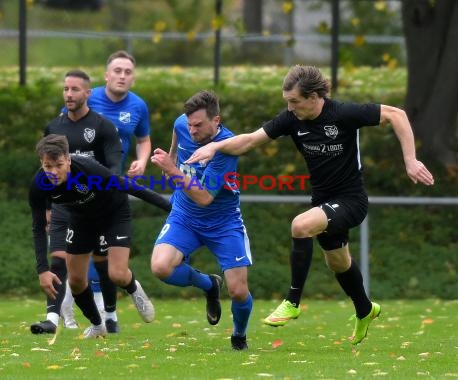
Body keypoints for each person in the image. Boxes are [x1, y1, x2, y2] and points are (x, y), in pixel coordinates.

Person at [186, 65, 435, 345]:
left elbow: (396, 114)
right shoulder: (291, 119)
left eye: (294, 101)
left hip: (351, 200)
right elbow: (251, 141)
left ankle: (292, 301)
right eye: (287, 102)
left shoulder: (342, 113)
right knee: (338, 262)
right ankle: (365, 309)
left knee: (300, 225)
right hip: (323, 201)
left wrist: (410, 160)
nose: (290, 108)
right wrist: (215, 146)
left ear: (315, 96)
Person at [29, 134, 170, 338]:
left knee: (117, 274)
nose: (53, 172)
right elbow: (38, 227)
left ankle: (133, 288)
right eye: (47, 166)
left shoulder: (88, 169)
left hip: (114, 214)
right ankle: (97, 325)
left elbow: (128, 186)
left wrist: (170, 207)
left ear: (68, 160)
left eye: (58, 165)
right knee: (76, 280)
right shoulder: (38, 185)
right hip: (82, 220)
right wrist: (42, 269)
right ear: (41, 163)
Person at [150, 90, 253, 351]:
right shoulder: (182, 124)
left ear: (216, 121)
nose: (192, 130)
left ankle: (239, 336)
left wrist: (172, 170)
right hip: (184, 216)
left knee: (239, 291)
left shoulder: (227, 147)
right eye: (190, 124)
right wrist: (171, 161)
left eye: (198, 125)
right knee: (161, 267)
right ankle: (209, 285)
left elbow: (205, 197)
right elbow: (175, 147)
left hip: (223, 223)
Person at [59, 51, 152, 333]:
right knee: (79, 258)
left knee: (109, 264)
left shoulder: (138, 106)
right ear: (106, 75)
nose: (123, 76)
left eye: (128, 72)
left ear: (133, 77)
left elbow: (143, 140)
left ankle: (108, 312)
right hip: (77, 191)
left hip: (111, 190)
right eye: (118, 70)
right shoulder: (86, 98)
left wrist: (142, 161)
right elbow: (61, 137)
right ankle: (91, 312)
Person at [31, 69, 122, 334]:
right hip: (62, 204)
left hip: (93, 203)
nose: (69, 94)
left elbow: (113, 164)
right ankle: (52, 319)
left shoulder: (102, 126)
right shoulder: (54, 127)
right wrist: (48, 207)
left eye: (74, 89)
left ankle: (111, 314)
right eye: (65, 89)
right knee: (58, 258)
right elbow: (46, 168)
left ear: (87, 93)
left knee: (103, 263)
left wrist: (109, 193)